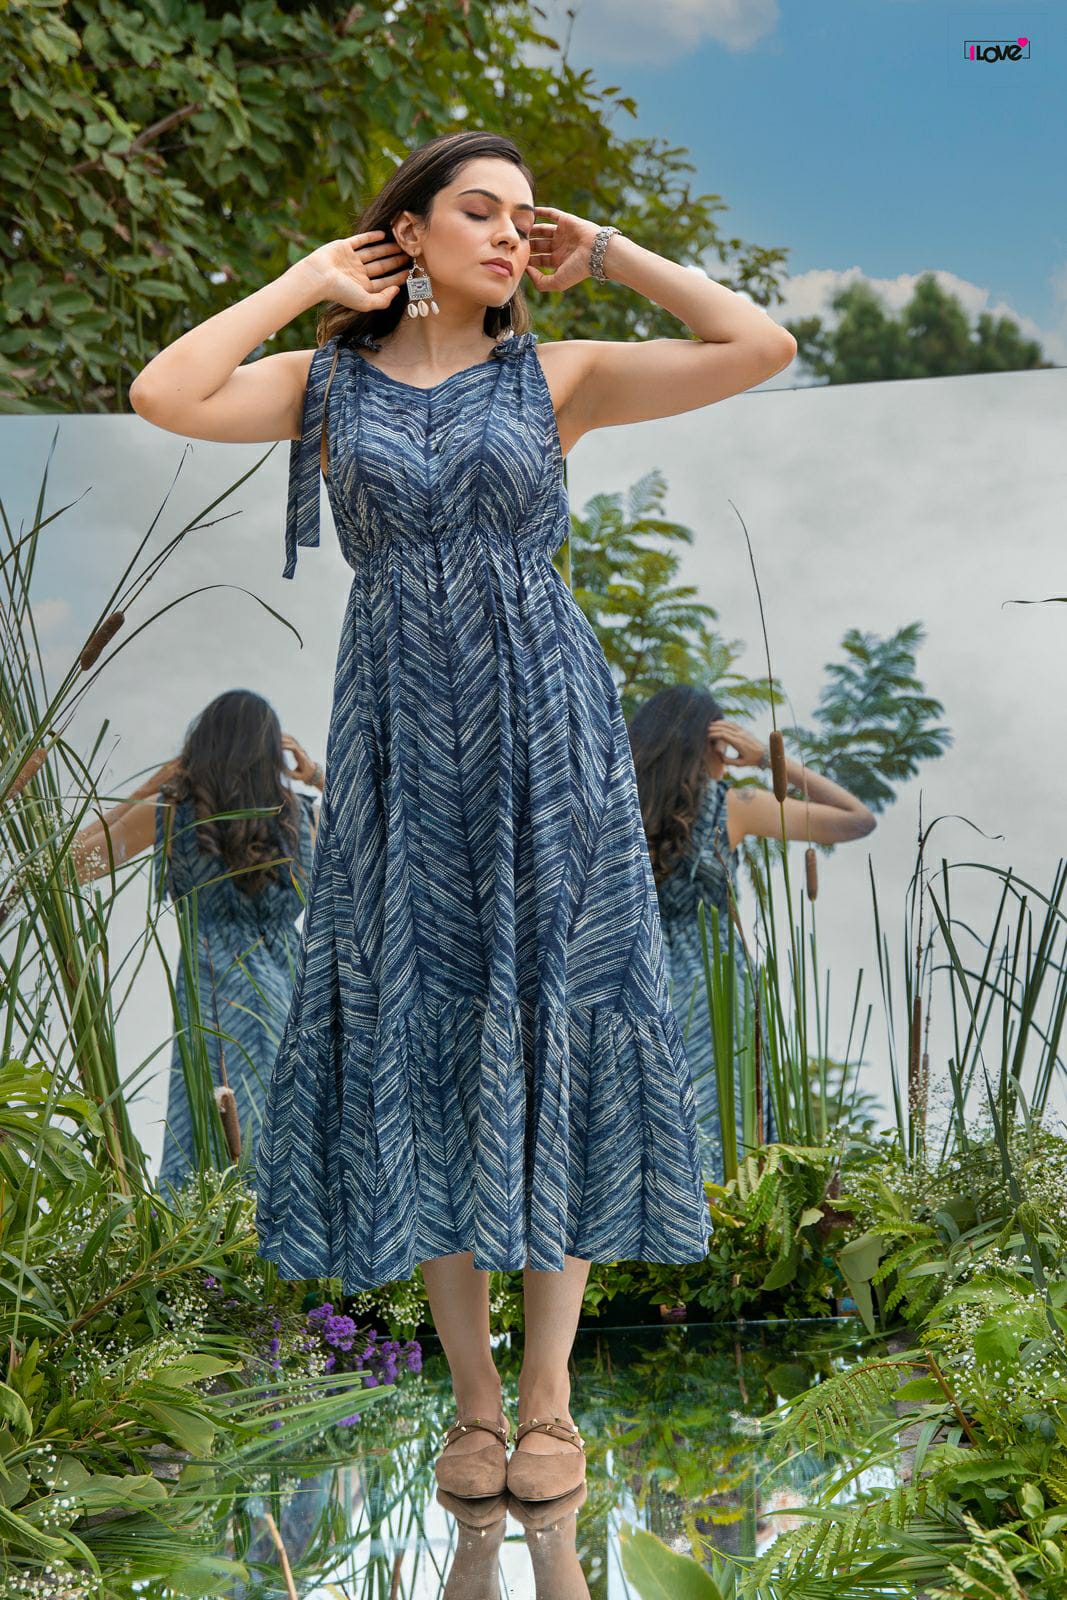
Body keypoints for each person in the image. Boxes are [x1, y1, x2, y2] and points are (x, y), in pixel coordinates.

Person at [126, 129, 797, 1504]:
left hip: (548, 744)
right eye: (477, 211)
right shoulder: (325, 384)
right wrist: (304, 283)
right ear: (409, 235)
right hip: (395, 753)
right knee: (422, 1041)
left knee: (554, 1027)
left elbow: (757, 346)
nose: (506, 234)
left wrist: (607, 254)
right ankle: (473, 1406)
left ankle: (547, 1399)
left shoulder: (554, 375)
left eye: (521, 217)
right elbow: (164, 391)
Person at [72, 691, 323, 1189]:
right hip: (293, 993)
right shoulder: (304, 817)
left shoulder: (173, 813)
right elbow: (383, 826)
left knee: (206, 1134)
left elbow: (75, 861)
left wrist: (152, 785)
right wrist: (315, 776)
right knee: (292, 1135)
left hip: (213, 990)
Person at [630, 684, 876, 1179]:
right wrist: (767, 758)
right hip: (716, 987)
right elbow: (857, 820)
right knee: (726, 1129)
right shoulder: (730, 805)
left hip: (634, 979)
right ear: (708, 743)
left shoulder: (612, 807)